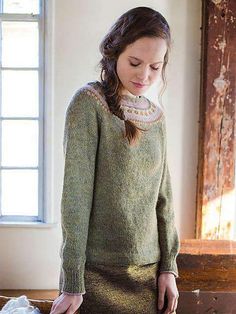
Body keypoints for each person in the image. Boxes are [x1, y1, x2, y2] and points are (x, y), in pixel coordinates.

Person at [50, 6, 180, 314]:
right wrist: (72, 281)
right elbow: (76, 197)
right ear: (114, 51)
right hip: (95, 273)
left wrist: (168, 268)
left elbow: (164, 200)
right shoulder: (88, 104)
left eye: (155, 66)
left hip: (148, 274)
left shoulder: (156, 117)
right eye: (135, 62)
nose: (144, 75)